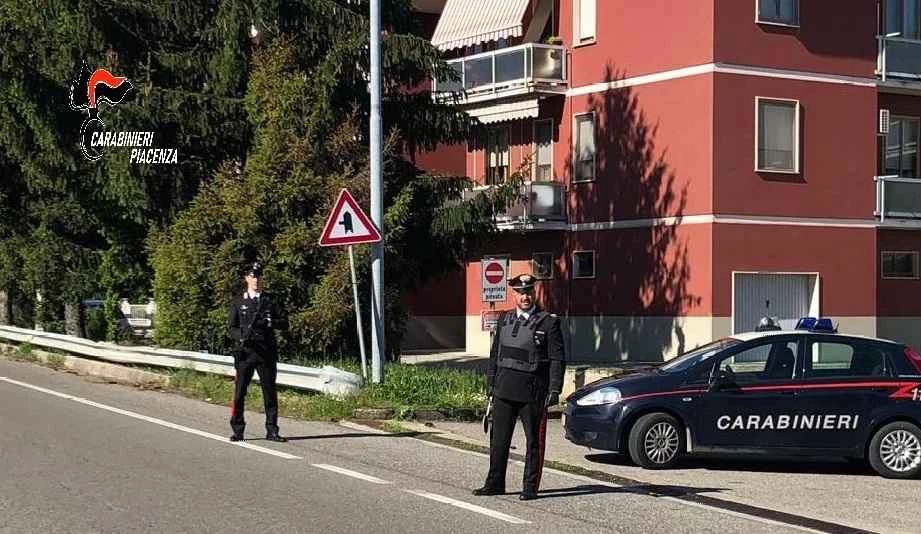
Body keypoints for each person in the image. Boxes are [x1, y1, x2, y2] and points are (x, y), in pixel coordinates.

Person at [473, 273, 566, 501]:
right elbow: (495, 354)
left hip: (532, 392)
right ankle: (494, 483)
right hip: (504, 389)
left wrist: (555, 389)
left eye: (529, 292)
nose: (525, 297)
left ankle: (530, 487)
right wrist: (491, 383)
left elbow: (557, 358)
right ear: (514, 294)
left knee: (534, 442)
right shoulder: (504, 319)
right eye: (521, 292)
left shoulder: (548, 322)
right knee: (498, 441)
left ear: (534, 293)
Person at [228, 261, 289, 442]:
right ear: (247, 278)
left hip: (266, 352)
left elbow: (285, 322)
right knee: (240, 393)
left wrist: (270, 322)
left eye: (259, 276)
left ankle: (272, 430)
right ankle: (238, 429)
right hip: (246, 352)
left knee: (269, 393)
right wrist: (241, 337)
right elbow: (232, 327)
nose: (256, 280)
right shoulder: (239, 301)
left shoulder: (269, 300)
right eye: (253, 276)